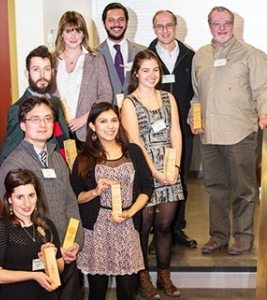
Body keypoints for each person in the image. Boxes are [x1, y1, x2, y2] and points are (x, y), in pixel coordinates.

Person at [188, 6, 267, 255]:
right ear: (209, 25)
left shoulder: (250, 55)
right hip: (209, 135)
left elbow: (262, 90)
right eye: (216, 23)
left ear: (233, 25)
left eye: (226, 23)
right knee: (214, 188)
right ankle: (219, 236)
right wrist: (193, 116)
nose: (221, 28)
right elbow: (196, 95)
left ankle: (243, 236)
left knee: (242, 189)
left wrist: (264, 112)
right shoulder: (200, 55)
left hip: (239, 132)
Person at [0, 96, 83, 300]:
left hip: (67, 255)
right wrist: (50, 249)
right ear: (22, 125)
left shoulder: (57, 158)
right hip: (36, 261)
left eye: (48, 118)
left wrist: (75, 242)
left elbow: (71, 203)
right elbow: (14, 219)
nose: (43, 124)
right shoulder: (13, 165)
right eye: (35, 119)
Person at [71, 102, 153, 300]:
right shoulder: (84, 158)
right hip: (97, 227)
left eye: (114, 120)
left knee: (127, 290)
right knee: (97, 292)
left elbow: (146, 187)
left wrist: (131, 212)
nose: (110, 126)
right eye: (103, 121)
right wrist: (95, 191)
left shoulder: (133, 151)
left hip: (127, 225)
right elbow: (76, 197)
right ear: (92, 126)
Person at [121, 49, 184, 299]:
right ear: (136, 73)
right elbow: (135, 143)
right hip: (145, 172)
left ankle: (164, 276)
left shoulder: (169, 98)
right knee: (143, 227)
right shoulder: (129, 102)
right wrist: (155, 173)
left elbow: (176, 133)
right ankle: (142, 278)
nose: (151, 75)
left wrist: (175, 167)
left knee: (165, 225)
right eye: (145, 70)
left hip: (170, 169)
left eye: (155, 70)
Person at [148, 10, 197, 249]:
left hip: (182, 132)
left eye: (169, 26)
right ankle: (155, 232)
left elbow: (197, 93)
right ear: (154, 29)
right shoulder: (146, 57)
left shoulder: (190, 56)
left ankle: (177, 228)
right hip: (153, 135)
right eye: (160, 26)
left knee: (181, 180)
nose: (165, 30)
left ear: (176, 27)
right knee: (153, 182)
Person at [0, 169, 64, 300]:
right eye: (20, 197)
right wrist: (33, 275)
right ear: (10, 199)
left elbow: (60, 267)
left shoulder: (47, 225)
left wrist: (50, 260)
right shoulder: (0, 229)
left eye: (31, 195)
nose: (27, 203)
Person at [0, 45, 69, 165]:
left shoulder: (56, 102)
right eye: (36, 69)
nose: (42, 75)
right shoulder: (18, 109)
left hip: (64, 175)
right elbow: (6, 158)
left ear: (52, 72)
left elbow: (64, 142)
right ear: (27, 73)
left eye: (46, 69)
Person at [53, 11, 112, 150]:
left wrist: (84, 119)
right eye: (68, 31)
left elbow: (106, 95)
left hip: (86, 130)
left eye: (78, 31)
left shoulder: (96, 58)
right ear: (61, 34)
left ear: (84, 33)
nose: (73, 36)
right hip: (58, 130)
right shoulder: (52, 60)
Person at [97, 2, 146, 105]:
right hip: (107, 115)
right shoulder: (94, 54)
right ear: (104, 23)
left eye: (121, 19)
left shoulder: (142, 52)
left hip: (138, 113)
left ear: (127, 22)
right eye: (111, 20)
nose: (116, 24)